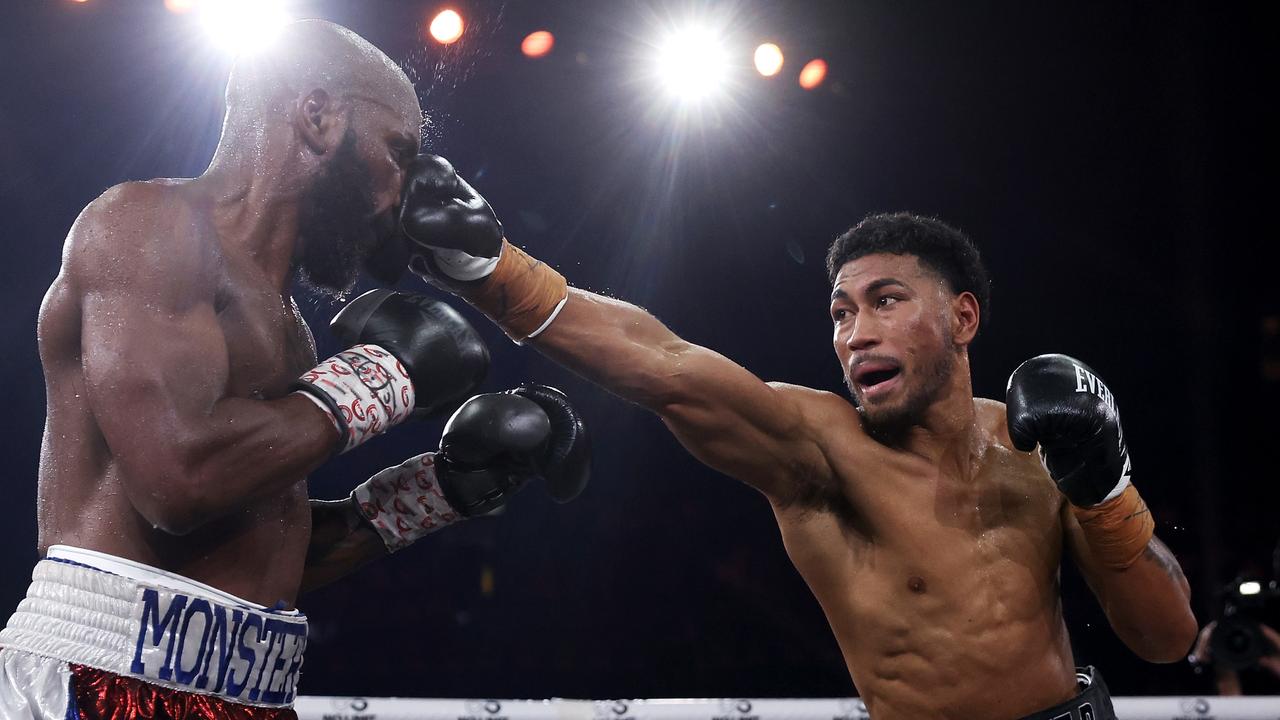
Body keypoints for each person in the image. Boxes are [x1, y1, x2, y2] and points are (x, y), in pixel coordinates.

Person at [395, 155, 1198, 719]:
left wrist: (1105, 485)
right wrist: (491, 271)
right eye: (842, 313)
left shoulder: (1044, 446)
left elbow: (1165, 640)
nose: (854, 334)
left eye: (885, 301)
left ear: (963, 318)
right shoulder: (822, 449)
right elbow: (665, 363)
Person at [0, 22, 588, 720]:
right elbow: (179, 481)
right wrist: (386, 374)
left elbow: (258, 547)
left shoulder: (286, 327)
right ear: (318, 117)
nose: (403, 194)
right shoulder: (148, 226)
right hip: (101, 679)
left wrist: (437, 492)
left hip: (249, 690)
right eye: (397, 152)